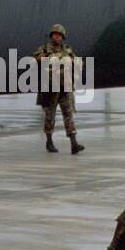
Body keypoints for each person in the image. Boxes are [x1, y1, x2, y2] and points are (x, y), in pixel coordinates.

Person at [33, 23, 84, 154]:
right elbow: (37, 59)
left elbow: (77, 61)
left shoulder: (67, 49)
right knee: (50, 115)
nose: (57, 37)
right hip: (51, 88)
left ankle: (74, 143)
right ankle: (49, 141)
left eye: (59, 35)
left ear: (62, 37)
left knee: (68, 114)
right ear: (51, 36)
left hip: (65, 87)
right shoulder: (44, 49)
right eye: (55, 34)